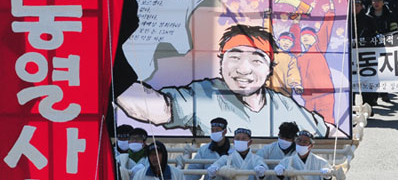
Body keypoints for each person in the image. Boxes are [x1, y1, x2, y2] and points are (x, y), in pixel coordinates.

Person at [117, 25, 338, 136]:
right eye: (235, 57)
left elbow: (328, 132)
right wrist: (113, 77)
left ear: (270, 68)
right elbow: (160, 109)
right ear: (221, 62)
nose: (244, 69)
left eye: (256, 59)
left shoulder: (284, 105)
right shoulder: (205, 93)